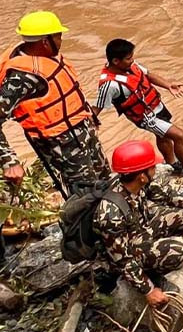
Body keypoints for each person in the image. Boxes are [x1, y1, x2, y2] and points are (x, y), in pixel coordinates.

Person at [0, 11, 109, 198]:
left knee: (105, 179)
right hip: (63, 147)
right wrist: (9, 161)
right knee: (87, 195)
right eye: (59, 36)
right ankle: (86, 225)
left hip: (83, 132)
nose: (61, 41)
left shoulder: (46, 56)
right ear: (45, 41)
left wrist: (90, 118)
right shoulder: (21, 78)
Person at [93, 140, 183, 306]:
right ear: (142, 176)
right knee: (179, 249)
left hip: (140, 232)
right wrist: (148, 289)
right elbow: (122, 260)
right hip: (122, 254)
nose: (155, 170)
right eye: (152, 167)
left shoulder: (136, 182)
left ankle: (153, 259)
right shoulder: (110, 215)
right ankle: (153, 274)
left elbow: (167, 196)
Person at [92, 39, 183, 184]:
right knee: (179, 135)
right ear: (116, 61)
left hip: (156, 105)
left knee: (163, 136)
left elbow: (148, 75)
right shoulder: (109, 85)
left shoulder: (131, 66)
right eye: (129, 58)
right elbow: (97, 107)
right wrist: (90, 122)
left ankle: (172, 164)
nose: (132, 60)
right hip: (145, 117)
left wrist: (168, 85)